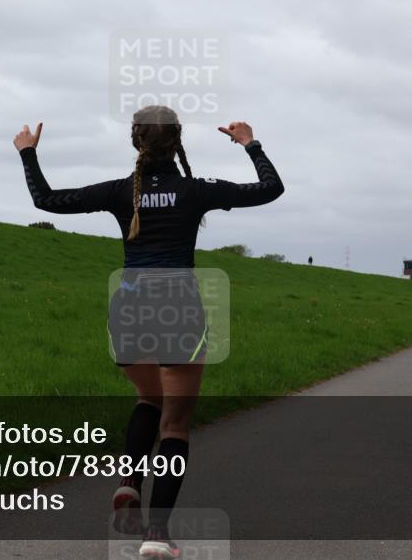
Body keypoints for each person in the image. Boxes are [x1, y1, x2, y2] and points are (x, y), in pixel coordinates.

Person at [15, 105, 284, 558]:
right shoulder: (196, 190)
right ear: (178, 141)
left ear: (135, 142)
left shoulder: (121, 191)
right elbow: (270, 189)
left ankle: (129, 483)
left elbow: (46, 199)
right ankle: (155, 536)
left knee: (147, 398)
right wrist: (249, 142)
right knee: (175, 424)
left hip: (130, 306)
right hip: (178, 308)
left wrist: (28, 153)